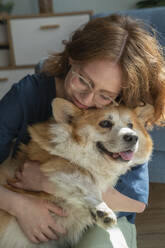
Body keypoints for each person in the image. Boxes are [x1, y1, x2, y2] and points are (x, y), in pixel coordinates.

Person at [0, 14, 165, 248]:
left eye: (105, 95)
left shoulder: (126, 117)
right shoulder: (28, 94)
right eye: (83, 80)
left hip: (108, 217)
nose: (87, 99)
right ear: (72, 59)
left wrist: (49, 182)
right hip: (27, 206)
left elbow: (135, 203)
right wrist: (19, 205)